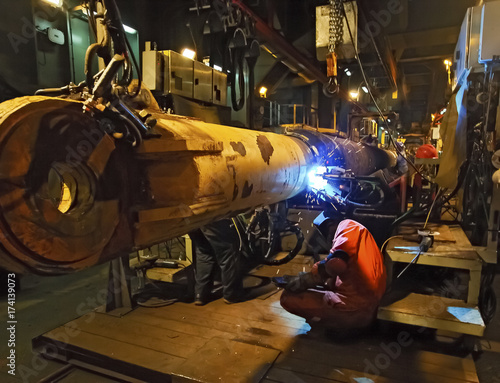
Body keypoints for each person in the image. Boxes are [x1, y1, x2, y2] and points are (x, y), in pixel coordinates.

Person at [280, 219, 386, 330]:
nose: (329, 235)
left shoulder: (347, 226)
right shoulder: (362, 235)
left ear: (331, 222)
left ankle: (335, 325)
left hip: (353, 310)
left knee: (287, 297)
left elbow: (337, 263)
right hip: (372, 308)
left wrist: (307, 279)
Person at [189, 218, 243, 305]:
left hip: (189, 218)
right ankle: (232, 295)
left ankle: (201, 295)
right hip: (209, 214)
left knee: (204, 253)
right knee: (228, 251)